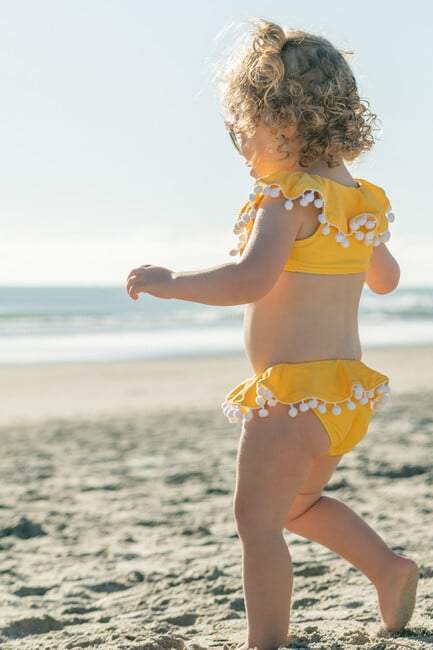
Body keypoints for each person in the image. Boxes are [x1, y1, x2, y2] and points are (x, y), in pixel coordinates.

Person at [126, 19, 418, 650]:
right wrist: (360, 250)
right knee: (296, 507)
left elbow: (250, 279)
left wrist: (173, 280)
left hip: (290, 400)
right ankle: (388, 568)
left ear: (285, 126)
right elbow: (387, 279)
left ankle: (265, 644)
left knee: (257, 525)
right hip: (344, 401)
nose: (243, 149)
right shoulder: (363, 201)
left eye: (243, 134)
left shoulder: (286, 202)